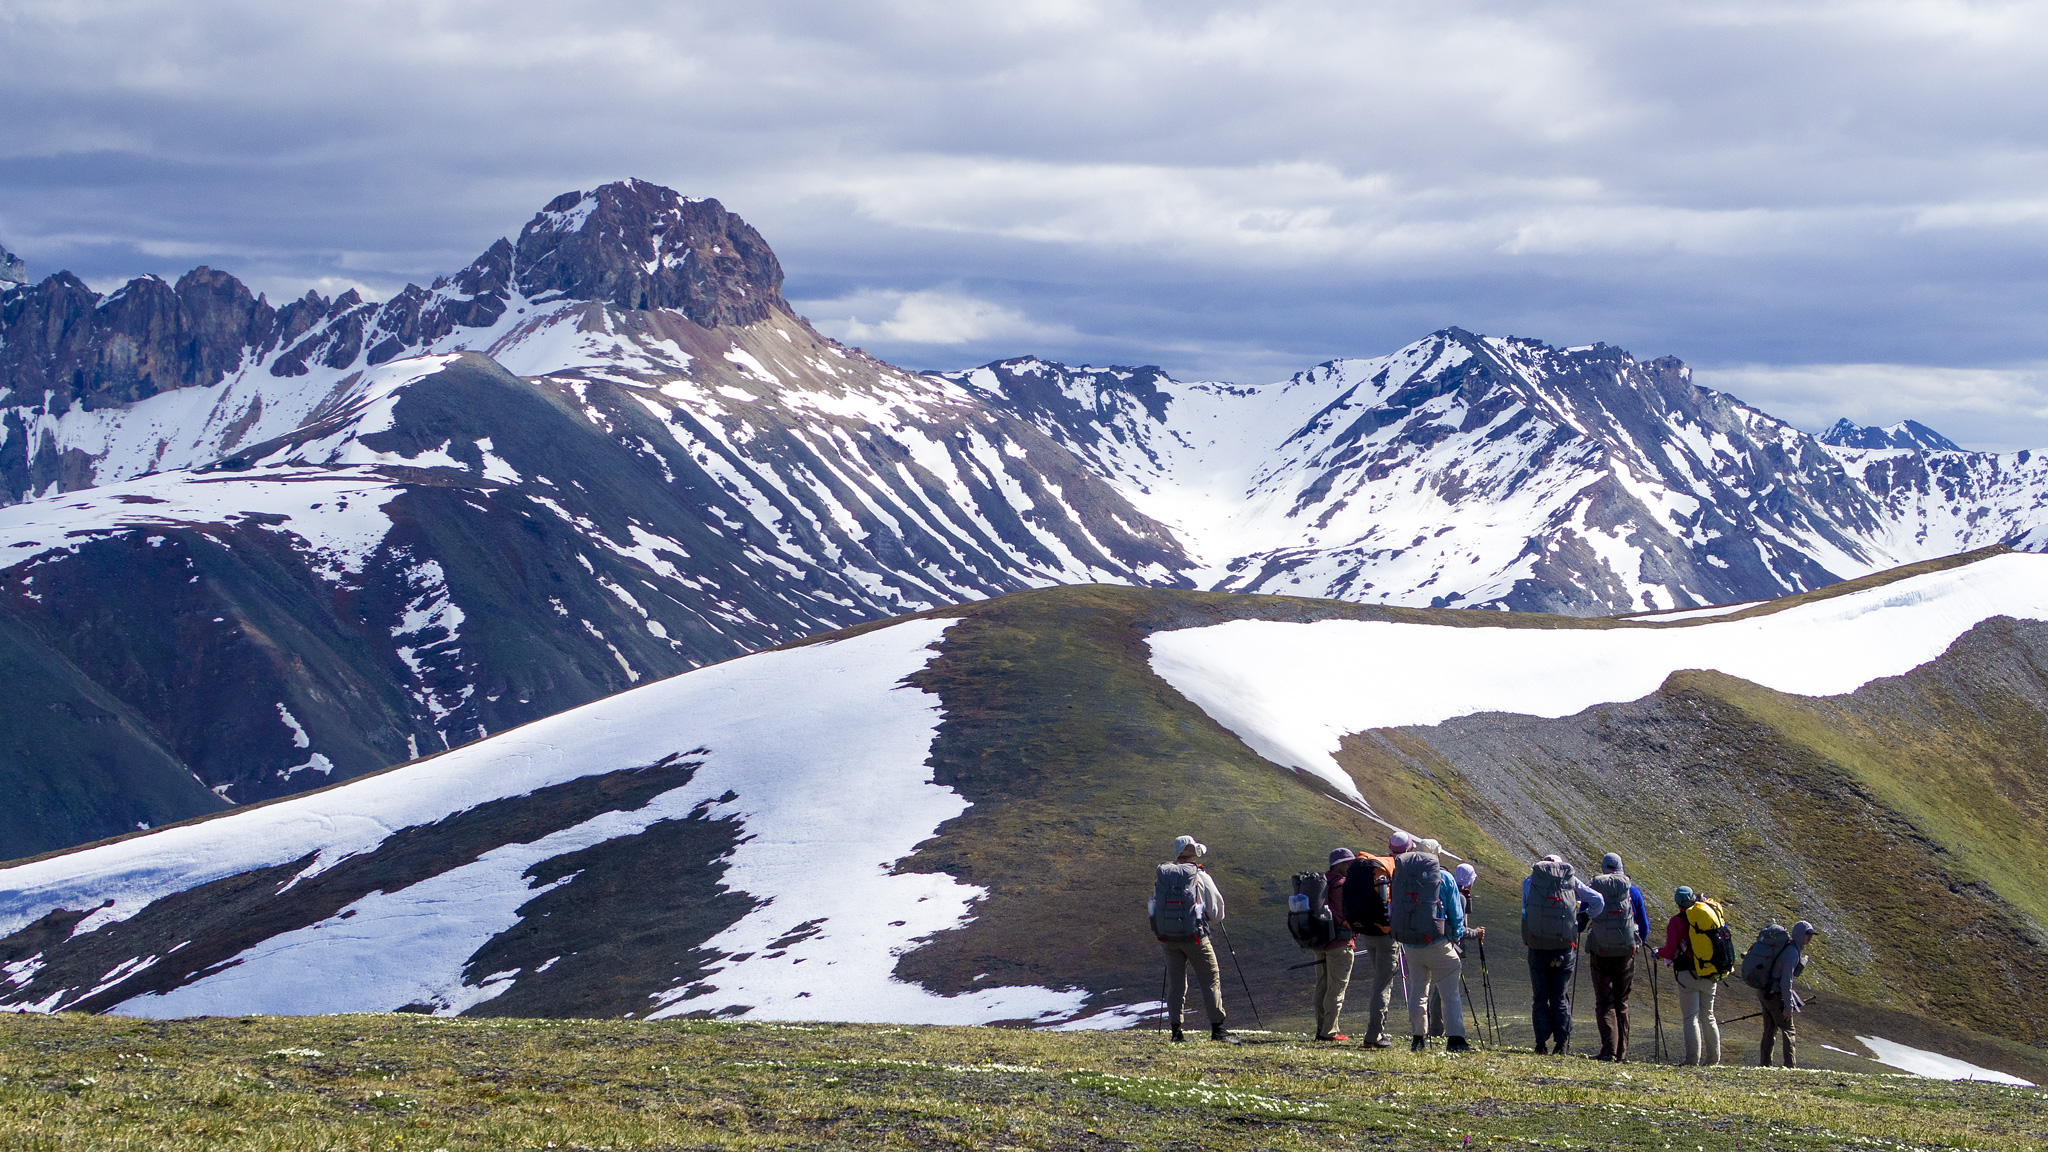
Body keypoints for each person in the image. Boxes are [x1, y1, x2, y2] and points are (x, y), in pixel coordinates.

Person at [1521, 854, 1606, 1055]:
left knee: (1540, 996)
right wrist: (1584, 916)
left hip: (1538, 946)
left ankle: (1540, 1043)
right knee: (1560, 996)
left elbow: (1525, 911)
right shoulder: (1570, 881)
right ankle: (1561, 1045)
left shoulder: (1530, 881)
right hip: (1564, 947)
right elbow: (1598, 900)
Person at [1149, 834, 1231, 1042]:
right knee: (1210, 978)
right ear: (1194, 853)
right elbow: (1217, 912)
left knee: (1176, 983)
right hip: (1196, 938)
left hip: (1169, 939)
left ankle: (1176, 1030)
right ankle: (1218, 1029)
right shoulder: (1200, 876)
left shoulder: (1165, 877)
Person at [1393, 838, 1471, 1054]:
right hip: (1438, 944)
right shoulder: (1444, 877)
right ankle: (1455, 1038)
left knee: (1418, 990)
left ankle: (1418, 1037)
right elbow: (1456, 915)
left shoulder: (1404, 875)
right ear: (1437, 855)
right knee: (1449, 994)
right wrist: (1455, 938)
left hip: (1411, 944)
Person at [1584, 853, 1650, 1062]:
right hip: (1625, 954)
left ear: (1603, 868)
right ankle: (1621, 1053)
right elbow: (1644, 926)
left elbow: (1584, 916)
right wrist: (1636, 943)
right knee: (1622, 1002)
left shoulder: (1595, 889)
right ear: (1621, 868)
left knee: (1604, 1001)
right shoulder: (1632, 892)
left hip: (1600, 952)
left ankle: (1608, 1050)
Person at [1344, 834, 1405, 1048]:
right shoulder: (1393, 869)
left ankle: (1376, 1032)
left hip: (1367, 931)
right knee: (1382, 985)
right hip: (1386, 934)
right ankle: (1374, 1035)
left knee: (1379, 981)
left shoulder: (1375, 865)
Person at [1652, 886, 1721, 1066]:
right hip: (1711, 972)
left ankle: (1692, 1060)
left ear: (1677, 902)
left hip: (1687, 973)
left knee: (1691, 1017)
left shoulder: (1676, 922)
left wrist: (1657, 953)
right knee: (1708, 1015)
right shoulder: (1707, 914)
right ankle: (1713, 1060)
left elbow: (1669, 950)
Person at [1427, 862, 1486, 1036]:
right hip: (1450, 947)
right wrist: (1476, 933)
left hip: (1436, 943)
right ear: (1470, 881)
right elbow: (1459, 930)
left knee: (1437, 989)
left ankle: (1435, 1027)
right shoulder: (1461, 897)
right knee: (1444, 990)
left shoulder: (1448, 890)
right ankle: (1438, 1029)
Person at [1757, 921, 1816, 1067]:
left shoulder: (1789, 948)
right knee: (1789, 1030)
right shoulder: (1792, 953)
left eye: (1811, 935)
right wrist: (1788, 1006)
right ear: (1800, 934)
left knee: (1769, 1030)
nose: (1810, 937)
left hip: (1764, 992)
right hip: (1775, 995)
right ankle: (1790, 1067)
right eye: (1807, 934)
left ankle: (1765, 1065)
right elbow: (1786, 982)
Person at [1314, 848, 1358, 1040]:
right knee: (1336, 988)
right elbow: (1348, 912)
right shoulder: (1341, 884)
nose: (1350, 866)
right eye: (1347, 863)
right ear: (1338, 864)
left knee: (1322, 986)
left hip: (1321, 942)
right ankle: (1330, 1032)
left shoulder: (1322, 883)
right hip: (1340, 943)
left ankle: (1321, 1028)